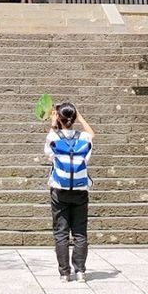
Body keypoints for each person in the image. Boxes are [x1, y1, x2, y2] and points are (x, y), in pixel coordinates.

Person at [46, 101, 94, 282]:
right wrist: (80, 117)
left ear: (59, 118)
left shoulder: (54, 138)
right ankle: (80, 271)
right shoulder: (84, 138)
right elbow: (91, 134)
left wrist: (53, 124)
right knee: (80, 232)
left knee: (61, 232)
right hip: (80, 190)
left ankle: (64, 273)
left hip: (60, 190)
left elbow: (48, 152)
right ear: (74, 118)